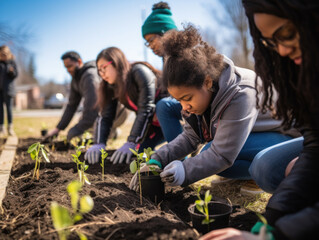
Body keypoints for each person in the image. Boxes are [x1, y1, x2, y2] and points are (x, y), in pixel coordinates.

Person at [199, 0, 319, 239]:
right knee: (275, 169)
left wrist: (281, 234)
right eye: (270, 42)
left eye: (285, 33)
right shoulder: (306, 75)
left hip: (284, 135)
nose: (282, 50)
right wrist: (273, 216)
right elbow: (314, 146)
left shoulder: (240, 90)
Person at [129, 25, 295, 193]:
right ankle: (247, 174)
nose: (184, 107)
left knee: (215, 155)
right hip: (256, 135)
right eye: (179, 100)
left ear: (207, 82)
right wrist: (157, 160)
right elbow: (190, 137)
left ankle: (259, 176)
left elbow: (222, 154)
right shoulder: (203, 96)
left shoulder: (240, 92)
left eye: (187, 98)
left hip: (288, 139)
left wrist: (185, 170)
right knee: (214, 160)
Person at [84, 47, 168, 165]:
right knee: (141, 154)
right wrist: (99, 143)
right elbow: (105, 116)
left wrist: (132, 141)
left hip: (172, 120)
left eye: (104, 68)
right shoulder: (112, 86)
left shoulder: (139, 72)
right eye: (99, 71)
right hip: (153, 126)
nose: (102, 74)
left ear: (116, 62)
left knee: (174, 152)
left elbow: (146, 108)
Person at [45, 51, 127, 142]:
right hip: (105, 113)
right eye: (65, 67)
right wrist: (58, 129)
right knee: (82, 122)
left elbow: (93, 108)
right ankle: (112, 132)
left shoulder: (89, 76)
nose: (68, 70)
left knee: (78, 134)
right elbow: (71, 105)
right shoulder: (76, 80)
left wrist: (75, 130)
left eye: (70, 66)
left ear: (79, 62)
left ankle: (111, 133)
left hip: (118, 112)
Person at [142, 1, 183, 143]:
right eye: (147, 42)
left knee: (164, 107)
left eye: (151, 40)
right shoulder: (166, 58)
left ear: (165, 33)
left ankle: (179, 157)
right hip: (186, 104)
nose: (150, 46)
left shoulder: (181, 54)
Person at [0, 45, 18, 137]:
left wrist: (11, 72)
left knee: (9, 109)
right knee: (0, 110)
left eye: (6, 53)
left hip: (9, 90)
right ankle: (1, 128)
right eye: (2, 54)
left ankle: (10, 128)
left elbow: (15, 74)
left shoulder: (12, 62)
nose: (4, 55)